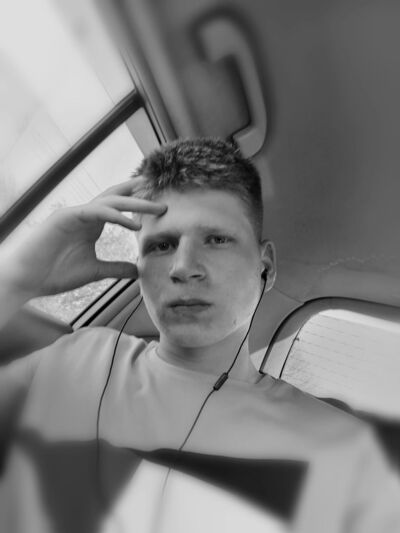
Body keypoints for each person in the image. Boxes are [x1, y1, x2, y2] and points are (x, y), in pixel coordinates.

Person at [0, 138, 399, 533]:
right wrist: (16, 279)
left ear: (265, 267)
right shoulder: (75, 357)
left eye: (216, 239)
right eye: (162, 245)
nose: (183, 266)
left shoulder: (344, 450)